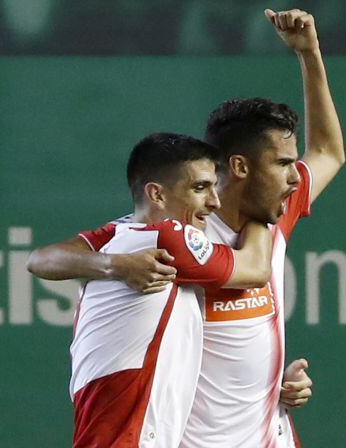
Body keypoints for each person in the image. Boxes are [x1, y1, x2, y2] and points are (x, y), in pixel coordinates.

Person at [28, 8, 345, 447]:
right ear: (239, 166)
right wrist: (114, 265)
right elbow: (43, 257)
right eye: (283, 164)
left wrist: (310, 53)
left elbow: (329, 151)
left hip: (271, 435)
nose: (296, 178)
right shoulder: (173, 233)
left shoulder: (273, 209)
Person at [58, 132, 274, 447]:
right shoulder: (170, 238)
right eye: (200, 188)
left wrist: (114, 265)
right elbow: (255, 269)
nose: (214, 202)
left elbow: (42, 258)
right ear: (157, 195)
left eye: (214, 187)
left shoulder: (121, 234)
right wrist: (259, 213)